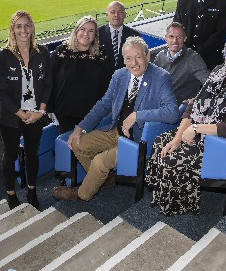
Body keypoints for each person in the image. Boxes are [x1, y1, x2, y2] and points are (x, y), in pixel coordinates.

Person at [146, 32, 226, 216]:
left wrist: (196, 129)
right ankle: (165, 197)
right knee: (163, 142)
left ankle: (179, 205)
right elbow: (193, 106)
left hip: (221, 142)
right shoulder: (219, 72)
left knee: (172, 159)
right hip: (198, 130)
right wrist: (179, 137)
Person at [52, 37, 180, 202]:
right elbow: (103, 105)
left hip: (138, 140)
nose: (134, 62)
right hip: (116, 132)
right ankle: (106, 179)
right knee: (77, 143)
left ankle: (82, 194)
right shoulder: (120, 75)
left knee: (99, 161)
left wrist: (138, 115)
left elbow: (172, 113)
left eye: (138, 57)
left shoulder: (161, 77)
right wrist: (81, 128)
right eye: (128, 58)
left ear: (148, 56)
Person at [0, 10, 52, 211]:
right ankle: (11, 194)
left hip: (36, 115)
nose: (23, 30)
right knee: (10, 155)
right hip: (12, 116)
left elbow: (48, 85)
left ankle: (32, 190)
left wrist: (41, 111)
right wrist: (20, 113)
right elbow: (0, 91)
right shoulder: (3, 55)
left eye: (27, 25)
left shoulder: (42, 52)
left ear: (33, 28)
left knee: (32, 154)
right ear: (12, 29)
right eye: (18, 26)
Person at [50, 16, 111, 134]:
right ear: (76, 31)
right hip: (65, 114)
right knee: (68, 148)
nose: (86, 34)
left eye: (91, 31)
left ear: (95, 35)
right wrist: (49, 108)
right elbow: (48, 80)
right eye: (83, 29)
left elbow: (109, 83)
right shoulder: (61, 52)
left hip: (93, 116)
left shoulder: (102, 54)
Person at [153, 22, 210, 104]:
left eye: (179, 37)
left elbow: (209, 82)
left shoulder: (193, 58)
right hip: (160, 103)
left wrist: (198, 99)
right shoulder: (160, 55)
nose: (174, 41)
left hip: (179, 107)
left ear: (185, 38)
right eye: (171, 36)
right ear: (166, 38)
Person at [98, 1, 141, 72]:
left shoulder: (134, 35)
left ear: (125, 15)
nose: (116, 15)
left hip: (125, 79)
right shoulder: (97, 33)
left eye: (120, 12)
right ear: (107, 15)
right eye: (112, 12)